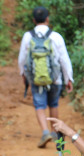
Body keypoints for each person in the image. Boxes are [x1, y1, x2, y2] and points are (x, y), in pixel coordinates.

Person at [18, 6, 74, 148]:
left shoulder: (28, 36)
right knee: (53, 104)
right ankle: (55, 132)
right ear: (48, 19)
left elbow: (22, 59)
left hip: (36, 78)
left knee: (39, 105)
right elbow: (64, 60)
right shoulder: (56, 37)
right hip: (55, 78)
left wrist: (23, 74)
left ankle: (45, 132)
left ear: (33, 20)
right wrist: (69, 79)